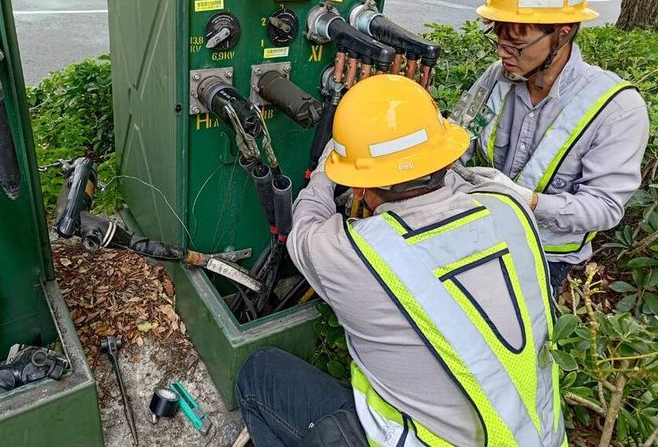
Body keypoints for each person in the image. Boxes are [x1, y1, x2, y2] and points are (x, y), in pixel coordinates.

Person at [237, 75, 566, 447]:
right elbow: (468, 184)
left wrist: (329, 168)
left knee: (258, 373)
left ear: (360, 186)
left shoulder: (358, 253)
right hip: (541, 439)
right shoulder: (512, 210)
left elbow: (304, 224)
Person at [461, 0, 649, 289]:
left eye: (516, 44)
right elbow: (460, 136)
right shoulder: (497, 78)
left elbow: (604, 208)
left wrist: (529, 201)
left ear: (563, 34)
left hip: (547, 258)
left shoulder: (618, 109)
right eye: (499, 40)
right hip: (482, 235)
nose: (502, 54)